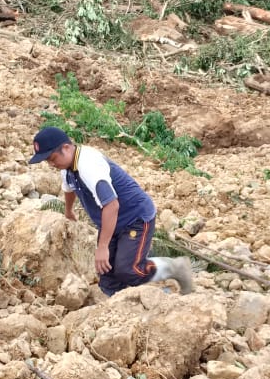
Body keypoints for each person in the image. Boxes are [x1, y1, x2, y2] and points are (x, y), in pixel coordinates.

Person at [28, 126, 194, 296]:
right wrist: (68, 211)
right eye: (47, 161)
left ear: (66, 148)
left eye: (52, 158)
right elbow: (68, 188)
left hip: (135, 217)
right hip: (111, 221)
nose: (51, 164)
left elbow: (111, 205)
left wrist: (102, 247)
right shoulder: (67, 168)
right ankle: (117, 303)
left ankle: (175, 268)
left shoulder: (89, 165)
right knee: (107, 272)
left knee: (129, 270)